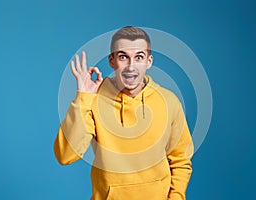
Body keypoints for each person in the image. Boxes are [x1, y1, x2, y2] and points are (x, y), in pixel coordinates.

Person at [54, 26, 194, 200]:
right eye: (123, 57)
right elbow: (65, 155)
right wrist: (83, 98)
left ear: (148, 62)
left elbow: (180, 161)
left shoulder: (169, 101)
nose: (131, 66)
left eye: (139, 57)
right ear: (112, 61)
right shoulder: (94, 99)